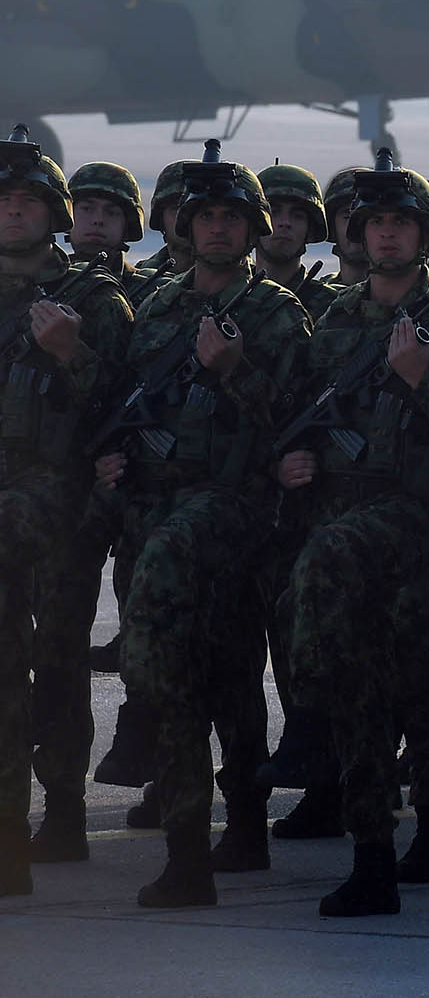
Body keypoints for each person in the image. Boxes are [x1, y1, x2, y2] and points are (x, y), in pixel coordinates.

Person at [263, 155, 429, 915]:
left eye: (402, 223)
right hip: (343, 520)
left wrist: (424, 374)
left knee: (421, 683)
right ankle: (373, 853)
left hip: (421, 527)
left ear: (425, 237)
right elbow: (305, 417)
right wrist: (296, 463)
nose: (388, 234)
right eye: (376, 223)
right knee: (367, 687)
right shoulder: (334, 321)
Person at [94, 142, 313, 907]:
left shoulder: (278, 315)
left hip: (234, 509)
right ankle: (202, 841)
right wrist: (113, 462)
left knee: (211, 668)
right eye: (205, 216)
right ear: (185, 226)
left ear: (254, 230)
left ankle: (225, 832)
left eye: (232, 216)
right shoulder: (155, 307)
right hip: (154, 509)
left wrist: (235, 367)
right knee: (204, 671)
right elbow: (123, 405)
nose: (218, 228)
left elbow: (300, 424)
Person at [0, 128, 133, 892]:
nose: (14, 213)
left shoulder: (91, 298)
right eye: (4, 201)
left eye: (27, 201)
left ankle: (64, 810)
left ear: (49, 212)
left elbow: (126, 409)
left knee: (56, 665)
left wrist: (72, 354)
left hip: (62, 517)